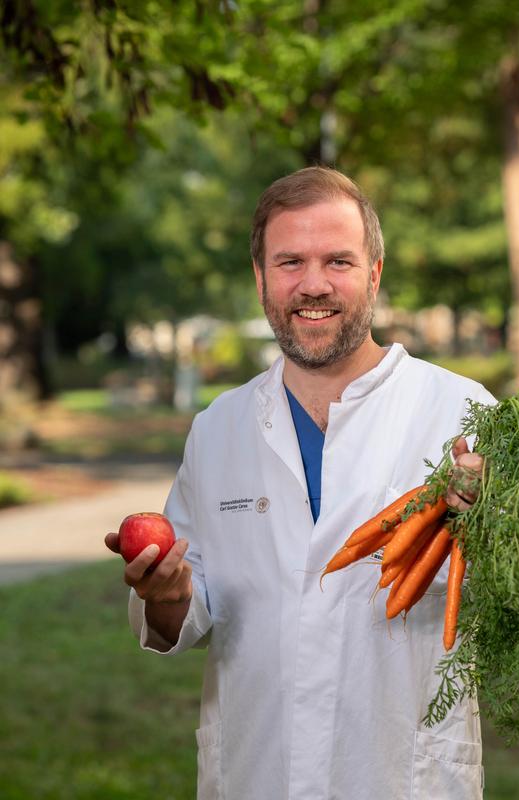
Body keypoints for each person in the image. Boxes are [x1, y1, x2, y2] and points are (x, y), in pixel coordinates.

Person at [105, 167, 495, 799]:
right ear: (261, 279)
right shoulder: (219, 429)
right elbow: (185, 613)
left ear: (374, 274)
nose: (314, 284)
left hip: (400, 778)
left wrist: (491, 529)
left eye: (338, 260)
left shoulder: (463, 415)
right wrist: (167, 594)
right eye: (290, 262)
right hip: (257, 772)